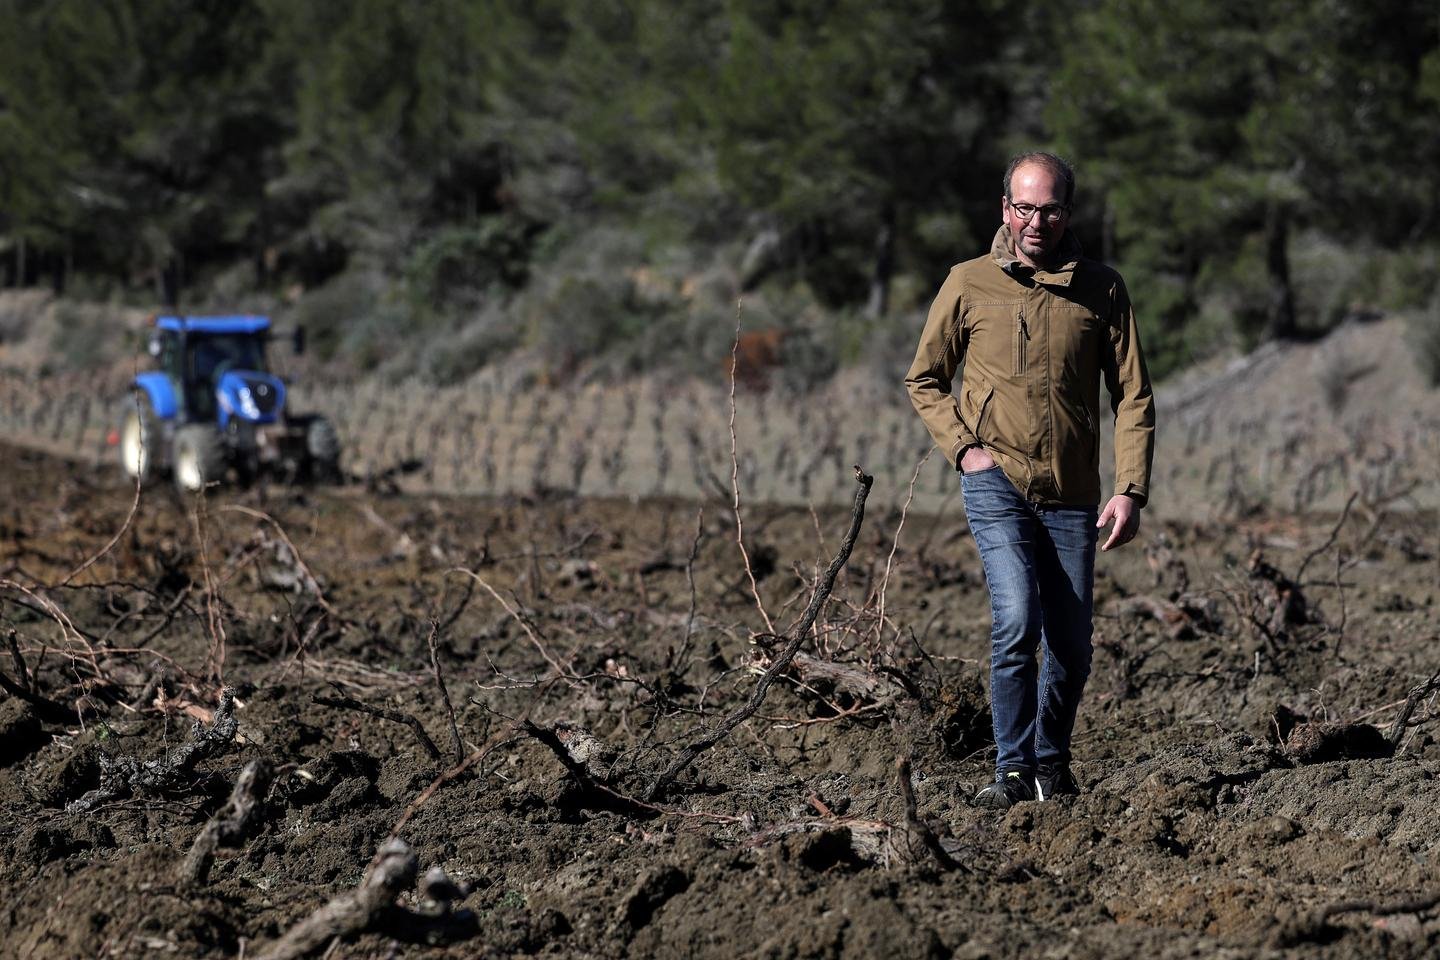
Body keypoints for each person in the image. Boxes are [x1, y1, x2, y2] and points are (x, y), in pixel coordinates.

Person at [904, 152, 1155, 808]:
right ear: (1004, 210)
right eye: (1023, 207)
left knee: (1072, 645)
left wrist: (1131, 489)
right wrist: (964, 450)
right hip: (998, 481)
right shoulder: (968, 282)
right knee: (1016, 619)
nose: (1035, 221)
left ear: (1067, 213)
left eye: (1049, 209)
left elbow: (1132, 395)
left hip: (1073, 493)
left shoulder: (1102, 289)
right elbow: (924, 379)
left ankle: (1051, 762)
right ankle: (1012, 773)